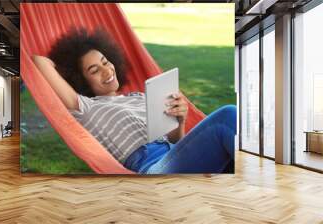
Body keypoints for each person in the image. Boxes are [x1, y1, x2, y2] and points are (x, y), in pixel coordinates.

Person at [32, 27, 236, 174]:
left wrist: (180, 121)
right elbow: (39, 62)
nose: (106, 70)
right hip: (153, 168)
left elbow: (174, 141)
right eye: (94, 70)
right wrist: (64, 69)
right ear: (80, 80)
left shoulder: (140, 97)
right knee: (228, 116)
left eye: (105, 62)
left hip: (176, 155)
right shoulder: (86, 107)